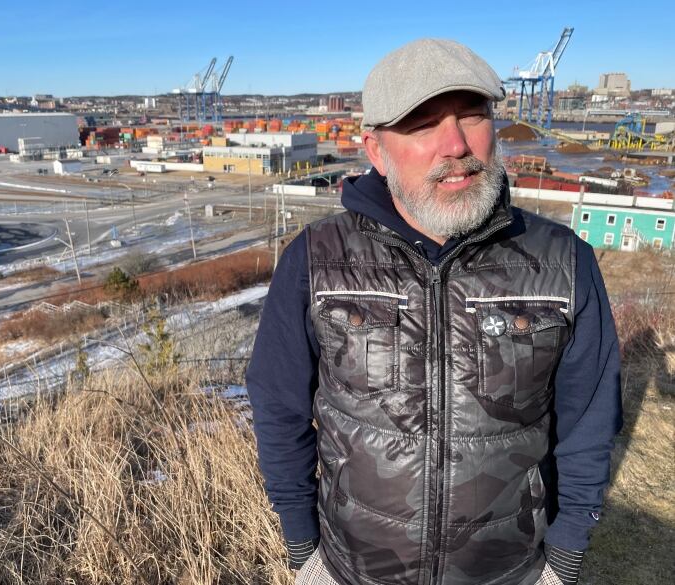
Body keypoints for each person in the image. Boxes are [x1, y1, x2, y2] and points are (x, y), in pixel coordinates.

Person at [247, 38, 622, 585]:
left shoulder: (563, 262)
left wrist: (564, 559)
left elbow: (590, 421)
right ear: (375, 150)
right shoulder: (316, 259)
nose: (456, 144)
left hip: (509, 571)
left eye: (474, 115)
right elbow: (278, 408)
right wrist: (304, 548)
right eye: (423, 124)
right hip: (354, 570)